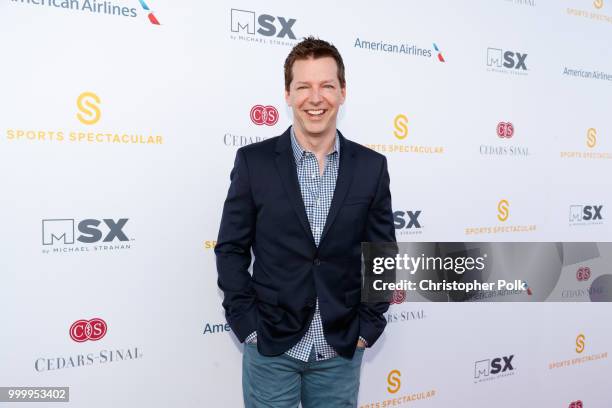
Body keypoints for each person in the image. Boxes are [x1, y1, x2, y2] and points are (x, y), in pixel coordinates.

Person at [215, 36, 395, 407]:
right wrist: (247, 325)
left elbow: (382, 255)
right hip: (270, 348)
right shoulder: (254, 162)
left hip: (340, 349)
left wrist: (368, 327)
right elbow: (231, 248)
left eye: (327, 85)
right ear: (288, 94)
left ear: (342, 92)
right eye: (304, 87)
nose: (316, 98)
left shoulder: (371, 167)